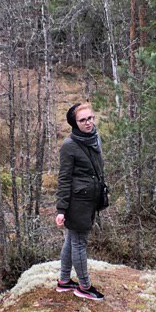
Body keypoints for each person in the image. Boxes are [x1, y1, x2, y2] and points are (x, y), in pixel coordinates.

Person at [55, 101, 108, 300]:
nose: (88, 123)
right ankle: (84, 287)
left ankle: (64, 281)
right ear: (75, 123)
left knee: (71, 239)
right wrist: (61, 209)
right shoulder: (69, 146)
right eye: (83, 120)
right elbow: (64, 178)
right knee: (79, 242)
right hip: (77, 203)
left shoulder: (94, 138)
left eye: (90, 118)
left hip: (90, 199)